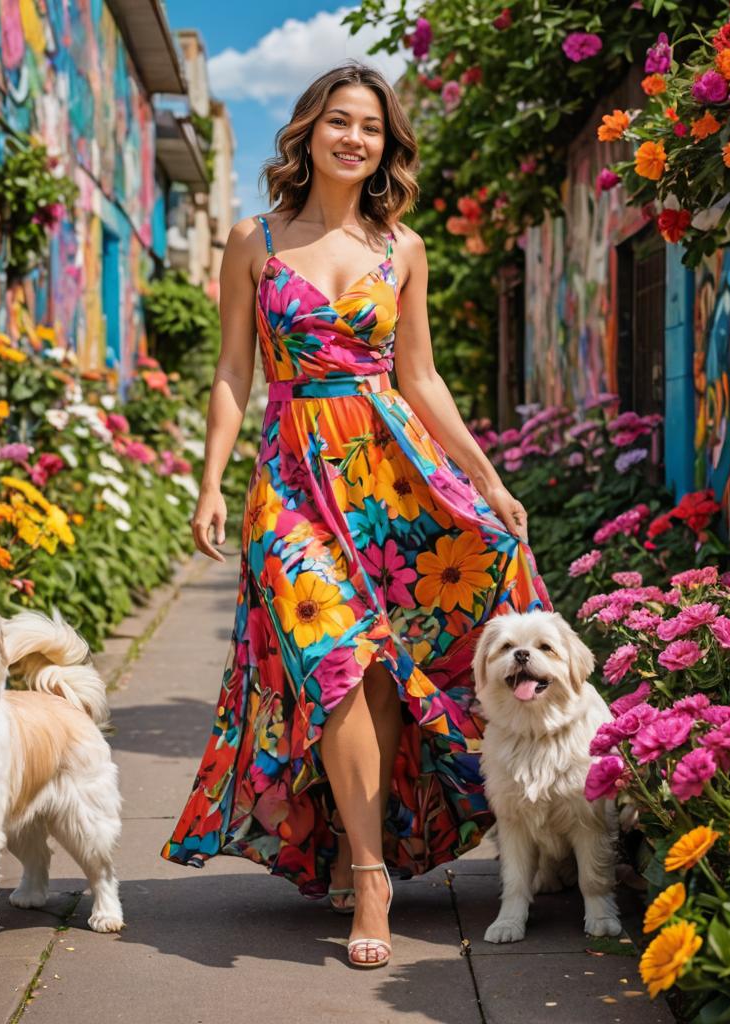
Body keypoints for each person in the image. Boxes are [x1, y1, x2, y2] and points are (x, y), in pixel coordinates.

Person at [160, 60, 551, 969]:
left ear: (386, 145)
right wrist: (210, 482)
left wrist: (487, 480)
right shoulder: (252, 241)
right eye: (339, 121)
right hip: (292, 481)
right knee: (335, 659)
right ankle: (372, 876)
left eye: (370, 127)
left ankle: (352, 841)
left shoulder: (400, 248)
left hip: (391, 480)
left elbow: (419, 378)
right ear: (309, 130)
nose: (354, 138)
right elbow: (232, 372)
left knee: (379, 675)